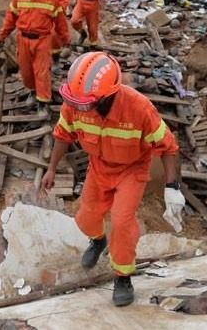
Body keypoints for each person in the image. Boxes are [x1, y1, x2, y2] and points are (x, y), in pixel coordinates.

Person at [41, 52, 185, 307]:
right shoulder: (76, 103)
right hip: (99, 168)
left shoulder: (139, 108)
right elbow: (63, 135)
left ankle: (123, 276)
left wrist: (172, 188)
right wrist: (51, 168)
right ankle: (98, 240)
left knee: (121, 222)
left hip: (132, 170)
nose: (79, 108)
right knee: (86, 217)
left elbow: (168, 147)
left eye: (85, 104)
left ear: (108, 95)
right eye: (76, 102)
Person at [0, 0, 70, 112]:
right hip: (22, 39)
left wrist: (66, 40)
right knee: (26, 71)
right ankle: (32, 91)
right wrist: (2, 35)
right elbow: (10, 19)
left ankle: (43, 103)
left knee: (41, 71)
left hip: (42, 40)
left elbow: (60, 23)